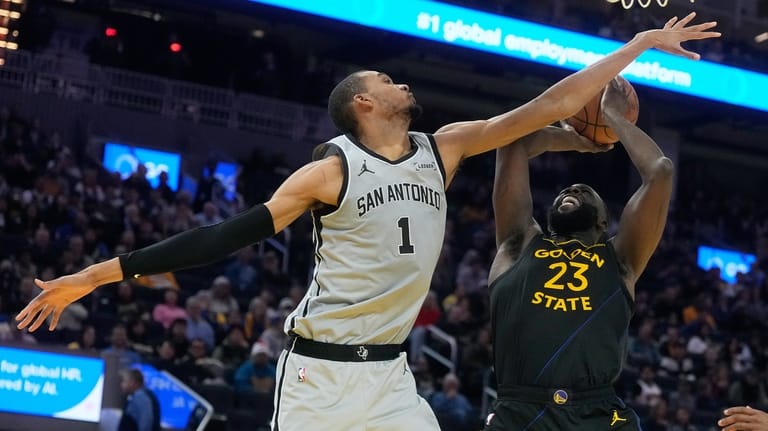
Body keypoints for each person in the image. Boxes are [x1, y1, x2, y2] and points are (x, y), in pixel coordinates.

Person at [16, 14, 718, 431]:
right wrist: (98, 273)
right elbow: (223, 234)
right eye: (386, 83)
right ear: (364, 105)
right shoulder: (331, 170)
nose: (400, 83)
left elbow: (540, 110)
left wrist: (635, 47)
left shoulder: (441, 149)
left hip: (389, 378)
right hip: (318, 376)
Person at [484, 77, 675, 430]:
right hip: (521, 411)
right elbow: (511, 144)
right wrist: (574, 139)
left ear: (604, 222)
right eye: (567, 190)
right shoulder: (518, 243)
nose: (571, 188)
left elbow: (660, 173)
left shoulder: (620, 259)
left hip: (599, 415)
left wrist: (613, 118)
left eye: (585, 191)